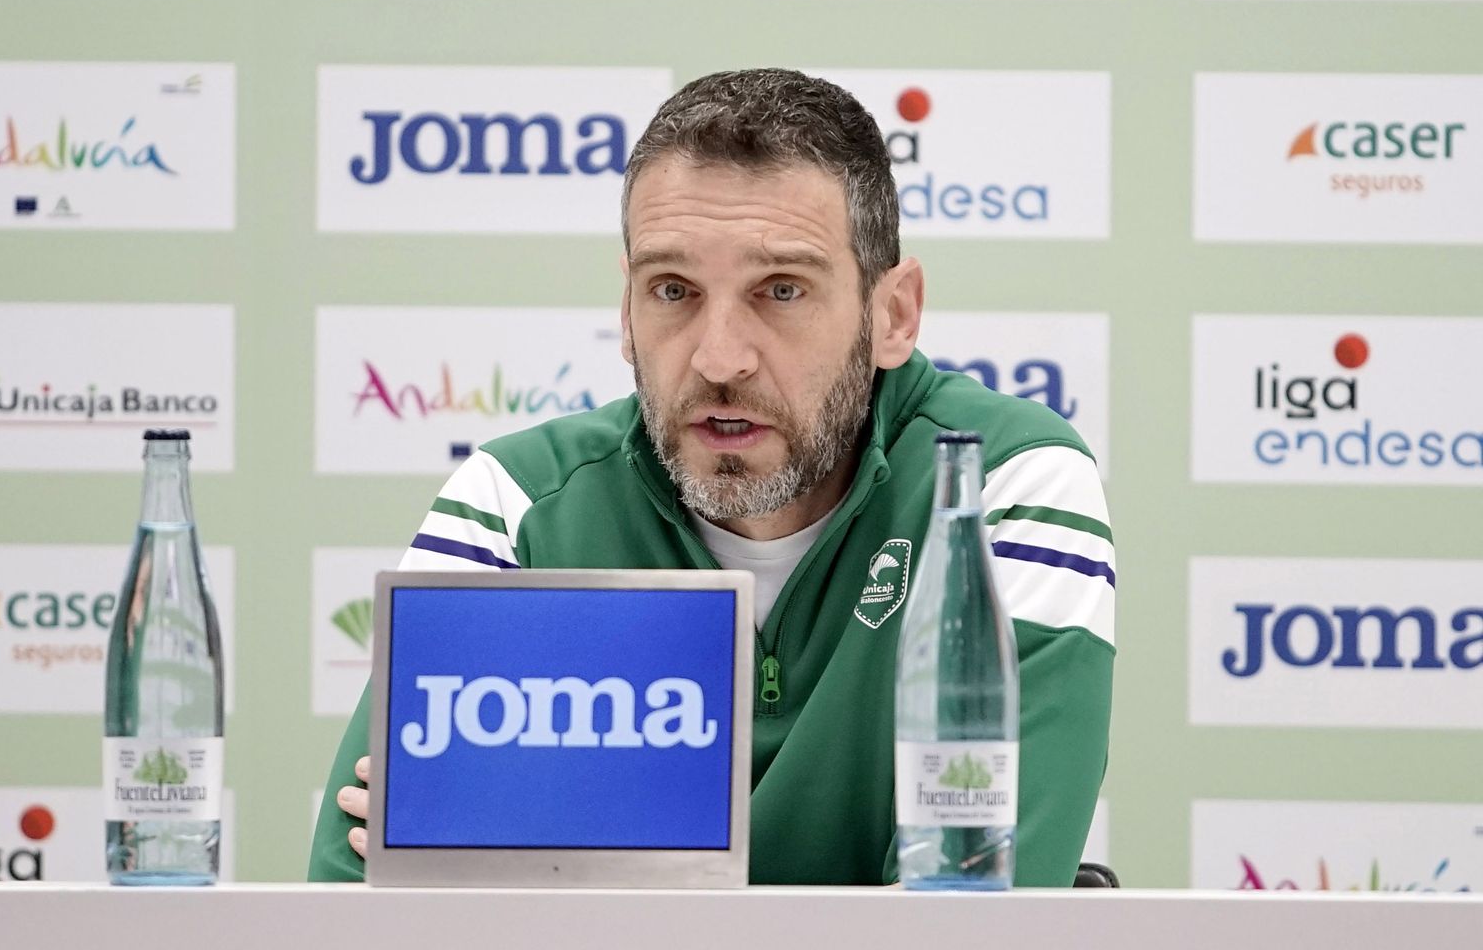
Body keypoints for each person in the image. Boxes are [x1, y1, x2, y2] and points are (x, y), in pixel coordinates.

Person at [308, 68, 1114, 886]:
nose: (719, 356)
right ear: (626, 311)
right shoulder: (515, 505)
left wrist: (561, 874)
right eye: (673, 290)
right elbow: (353, 907)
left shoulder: (998, 486)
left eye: (782, 290)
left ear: (893, 314)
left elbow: (973, 917)